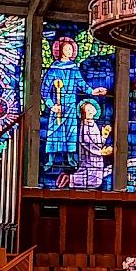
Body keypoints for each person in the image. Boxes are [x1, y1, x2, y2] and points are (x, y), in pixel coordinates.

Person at [42, 36, 105, 177]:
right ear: (61, 50)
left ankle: (70, 158)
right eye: (67, 48)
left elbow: (81, 84)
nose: (69, 51)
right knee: (54, 133)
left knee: (71, 132)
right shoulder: (53, 70)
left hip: (70, 106)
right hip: (58, 106)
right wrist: (52, 106)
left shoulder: (74, 69)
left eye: (71, 49)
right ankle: (50, 160)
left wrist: (93, 91)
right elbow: (45, 91)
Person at [69, 99, 112, 190]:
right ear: (83, 113)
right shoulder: (84, 126)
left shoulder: (94, 124)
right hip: (89, 157)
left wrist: (104, 136)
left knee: (97, 178)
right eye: (88, 110)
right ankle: (69, 179)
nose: (91, 111)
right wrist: (101, 152)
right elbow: (86, 143)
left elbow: (97, 144)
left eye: (92, 109)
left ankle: (71, 180)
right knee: (91, 177)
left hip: (97, 158)